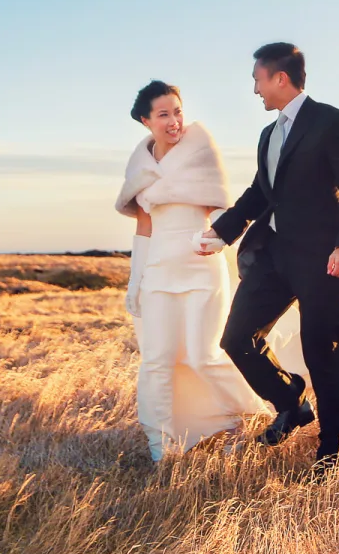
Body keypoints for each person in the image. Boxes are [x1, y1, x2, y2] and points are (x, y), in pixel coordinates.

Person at [195, 43, 339, 475]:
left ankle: (337, 455)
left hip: (322, 259)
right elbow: (261, 192)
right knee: (237, 337)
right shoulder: (268, 135)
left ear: (280, 78)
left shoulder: (332, 122)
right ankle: (291, 402)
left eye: (257, 79)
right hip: (273, 256)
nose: (254, 89)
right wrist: (222, 231)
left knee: (324, 352)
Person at [115, 80, 303, 462]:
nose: (174, 121)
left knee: (205, 355)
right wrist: (136, 280)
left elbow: (222, 211)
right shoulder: (140, 164)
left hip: (201, 268)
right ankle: (160, 447)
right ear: (145, 120)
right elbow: (144, 227)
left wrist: (220, 240)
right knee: (157, 359)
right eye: (164, 114)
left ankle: (266, 410)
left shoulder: (201, 150)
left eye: (178, 111)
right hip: (158, 272)